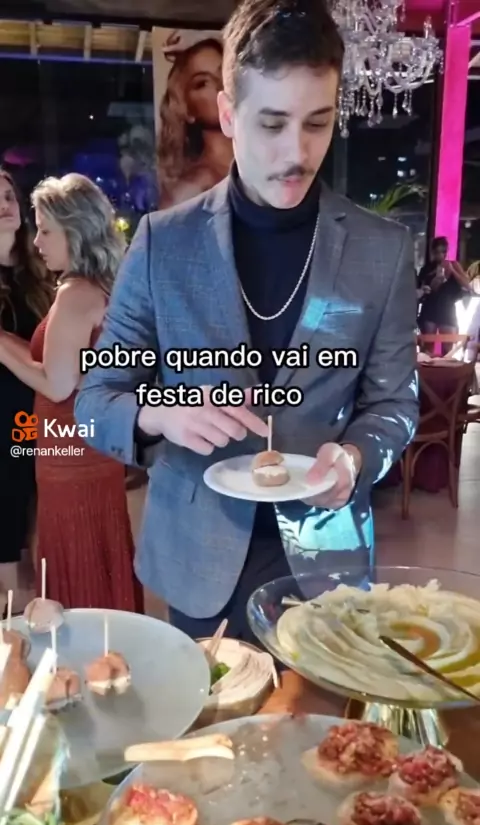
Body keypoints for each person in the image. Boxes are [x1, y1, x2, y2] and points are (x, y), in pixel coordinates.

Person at [75, 0, 419, 643]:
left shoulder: (383, 250)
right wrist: (159, 413)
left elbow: (394, 403)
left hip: (326, 557)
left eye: (317, 123)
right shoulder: (162, 243)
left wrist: (355, 458)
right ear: (229, 115)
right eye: (272, 123)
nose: (298, 152)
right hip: (198, 558)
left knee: (324, 712)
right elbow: (97, 399)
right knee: (215, 710)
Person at [0, 173, 143, 613]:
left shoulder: (75, 293)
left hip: (70, 455)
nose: (36, 241)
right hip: (89, 450)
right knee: (97, 558)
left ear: (74, 230)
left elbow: (55, 383)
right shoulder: (100, 285)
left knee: (77, 563)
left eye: (46, 231)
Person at [0, 169, 53, 601]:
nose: (4, 205)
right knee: (7, 523)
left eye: (8, 196)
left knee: (39, 523)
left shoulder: (40, 273)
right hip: (4, 421)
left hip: (42, 415)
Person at [157, 34, 233, 208]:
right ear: (186, 109)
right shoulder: (192, 189)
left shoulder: (259, 166)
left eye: (223, 73)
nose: (220, 85)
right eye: (202, 83)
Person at [417, 236, 471, 350]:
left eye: (443, 252)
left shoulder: (454, 265)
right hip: (430, 308)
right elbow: (427, 290)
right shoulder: (427, 268)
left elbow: (467, 285)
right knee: (428, 346)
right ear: (433, 252)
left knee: (448, 347)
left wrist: (452, 271)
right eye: (437, 252)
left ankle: (446, 361)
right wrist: (437, 278)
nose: (441, 255)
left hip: (447, 308)